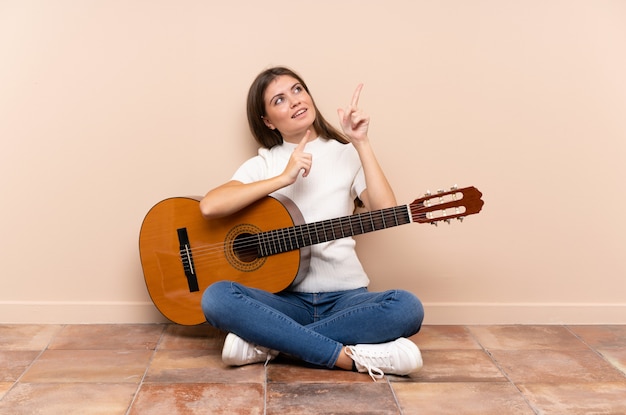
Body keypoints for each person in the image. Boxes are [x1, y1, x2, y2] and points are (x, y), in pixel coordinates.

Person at [200, 66, 424, 381]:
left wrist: (361, 142)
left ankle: (271, 343)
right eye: (278, 100)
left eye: (297, 89)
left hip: (346, 298)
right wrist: (282, 178)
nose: (294, 101)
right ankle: (349, 358)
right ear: (267, 121)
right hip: (284, 300)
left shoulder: (347, 154)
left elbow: (385, 211)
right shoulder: (266, 163)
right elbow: (210, 206)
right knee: (215, 298)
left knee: (407, 307)